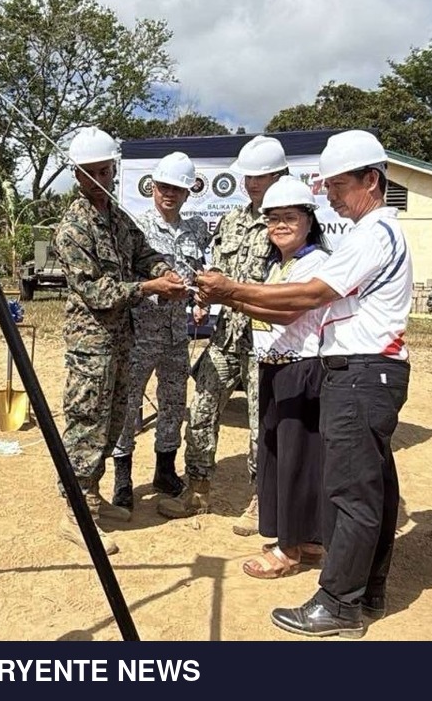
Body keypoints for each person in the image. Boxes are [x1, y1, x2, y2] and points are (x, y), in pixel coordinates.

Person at [196, 130, 412, 638]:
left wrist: (229, 288)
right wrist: (231, 296)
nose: (330, 195)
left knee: (350, 494)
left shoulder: (372, 236)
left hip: (360, 372)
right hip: (362, 373)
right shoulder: (369, 234)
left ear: (371, 180)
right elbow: (294, 301)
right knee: (371, 489)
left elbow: (308, 296)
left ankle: (339, 604)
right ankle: (367, 590)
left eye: (337, 185)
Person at [53, 126, 189, 556]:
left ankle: (92, 497)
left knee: (113, 421)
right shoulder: (72, 229)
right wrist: (150, 288)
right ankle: (75, 513)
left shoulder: (114, 214)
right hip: (91, 344)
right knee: (85, 424)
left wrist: (165, 267)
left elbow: (143, 251)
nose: (98, 180)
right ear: (77, 175)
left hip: (121, 340)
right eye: (89, 173)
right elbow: (96, 291)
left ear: (114, 169)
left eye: (105, 171)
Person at [158, 135, 287, 534]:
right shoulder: (232, 220)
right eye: (247, 177)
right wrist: (202, 297)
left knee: (262, 424)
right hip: (226, 336)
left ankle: (261, 500)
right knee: (200, 410)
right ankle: (197, 489)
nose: (251, 184)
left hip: (267, 342)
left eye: (259, 177)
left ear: (280, 175)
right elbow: (216, 270)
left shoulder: (290, 222)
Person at [232, 176, 331, 580]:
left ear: (309, 219)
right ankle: (306, 538)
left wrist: (232, 296)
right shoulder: (279, 264)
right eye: (273, 219)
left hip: (300, 369)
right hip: (274, 366)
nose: (280, 226)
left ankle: (287, 551)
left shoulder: (316, 263)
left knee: (294, 461)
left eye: (290, 217)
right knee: (284, 455)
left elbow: (289, 312)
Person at [111, 152, 211, 511]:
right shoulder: (135, 227)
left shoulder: (195, 229)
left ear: (188, 193)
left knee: (173, 403)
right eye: (164, 187)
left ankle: (165, 471)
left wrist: (201, 302)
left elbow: (198, 272)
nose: (170, 194)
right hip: (140, 331)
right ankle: (122, 479)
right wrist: (155, 285)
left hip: (176, 334)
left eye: (178, 189)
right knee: (128, 404)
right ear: (153, 187)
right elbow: (124, 278)